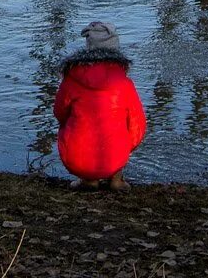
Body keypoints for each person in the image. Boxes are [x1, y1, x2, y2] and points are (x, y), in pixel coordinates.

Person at [53, 21, 146, 190]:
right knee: (121, 128)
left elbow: (59, 113)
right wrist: (127, 146)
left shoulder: (71, 79)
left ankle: (88, 179)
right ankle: (116, 179)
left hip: (77, 159)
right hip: (115, 157)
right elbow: (138, 125)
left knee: (72, 123)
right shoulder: (124, 83)